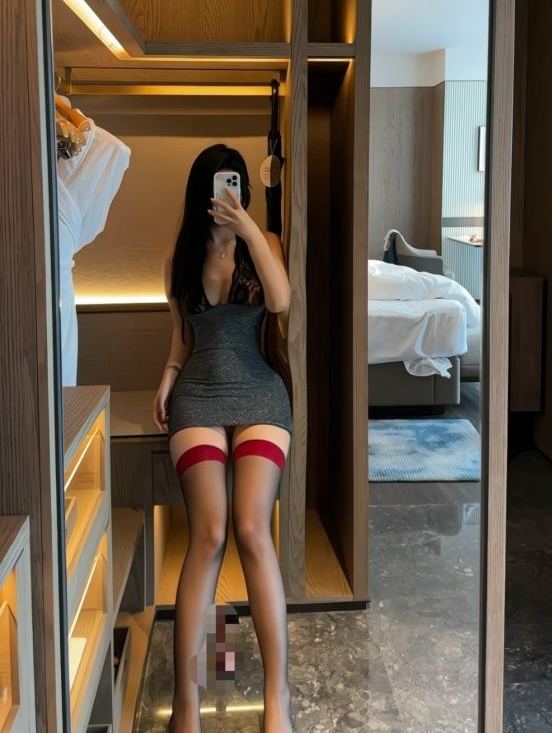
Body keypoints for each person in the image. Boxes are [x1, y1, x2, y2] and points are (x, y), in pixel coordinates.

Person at [153, 143, 294, 733]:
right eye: (217, 185)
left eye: (234, 185)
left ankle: (276, 699)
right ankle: (188, 705)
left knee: (252, 528)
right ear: (199, 192)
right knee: (209, 534)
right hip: (199, 394)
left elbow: (281, 300)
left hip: (259, 393)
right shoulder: (179, 255)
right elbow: (182, 335)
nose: (226, 195)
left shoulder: (265, 244)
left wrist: (248, 230)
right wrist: (168, 375)